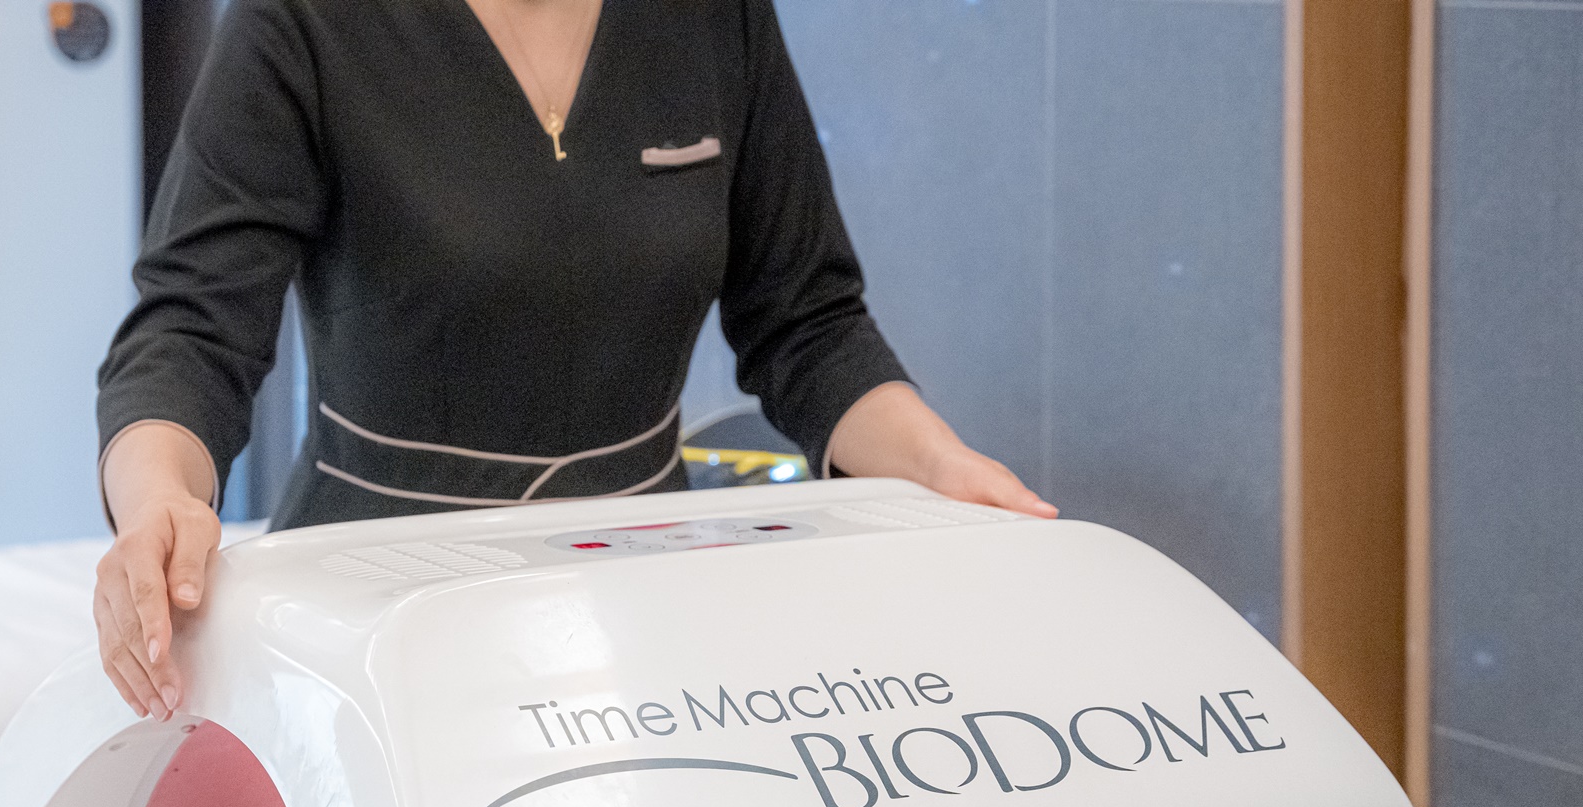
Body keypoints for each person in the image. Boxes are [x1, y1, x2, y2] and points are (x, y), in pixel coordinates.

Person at [92, 0, 1056, 721]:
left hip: (649, 622)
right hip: (376, 622)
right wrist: (156, 502)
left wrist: (939, 468)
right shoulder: (302, 21)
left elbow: (809, 321)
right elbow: (192, 330)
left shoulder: (716, 17)